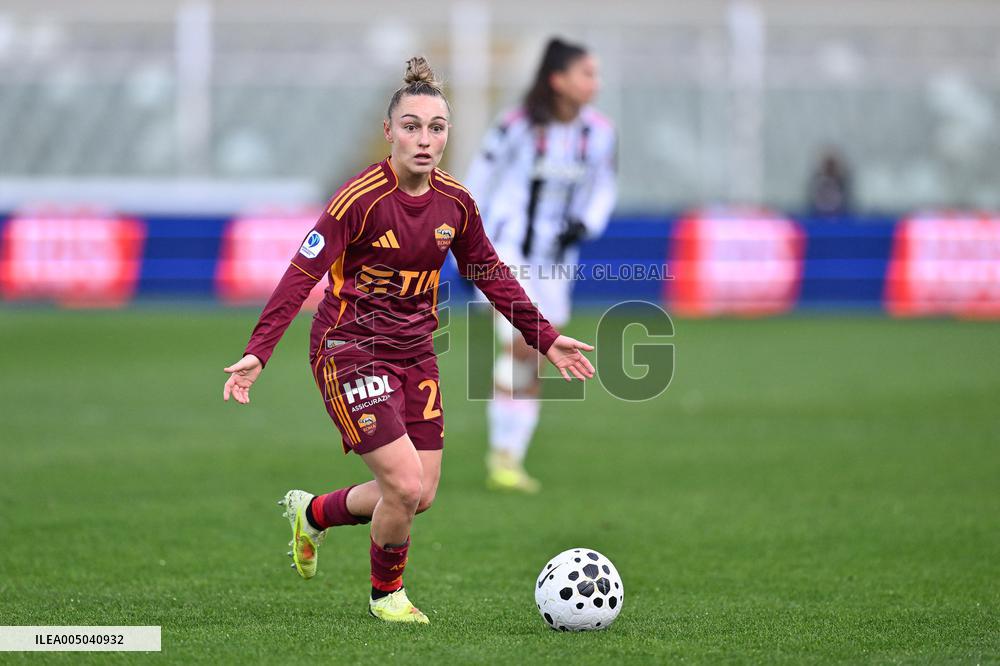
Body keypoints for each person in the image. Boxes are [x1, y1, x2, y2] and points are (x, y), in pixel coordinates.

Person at [221, 57, 595, 624]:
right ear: (390, 130)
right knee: (401, 482)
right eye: (413, 126)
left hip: (416, 352)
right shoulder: (360, 199)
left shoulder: (457, 204)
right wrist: (258, 351)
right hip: (349, 349)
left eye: (437, 127)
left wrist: (545, 339)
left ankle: (312, 514)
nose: (425, 139)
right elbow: (302, 273)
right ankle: (386, 595)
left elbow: (490, 273)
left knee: (419, 494)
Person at [464, 38, 617, 493]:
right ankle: (503, 455)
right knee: (526, 344)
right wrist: (466, 238)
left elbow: (604, 187)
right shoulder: (516, 126)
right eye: (586, 73)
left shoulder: (600, 132)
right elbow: (478, 178)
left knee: (543, 353)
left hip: (556, 262)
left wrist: (585, 224)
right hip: (505, 253)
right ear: (558, 80)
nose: (596, 82)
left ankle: (510, 456)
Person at [806, 148, 853, 217]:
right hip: (818, 215)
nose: (830, 167)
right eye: (828, 165)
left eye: (832, 165)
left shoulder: (842, 182)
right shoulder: (817, 180)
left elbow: (846, 200)